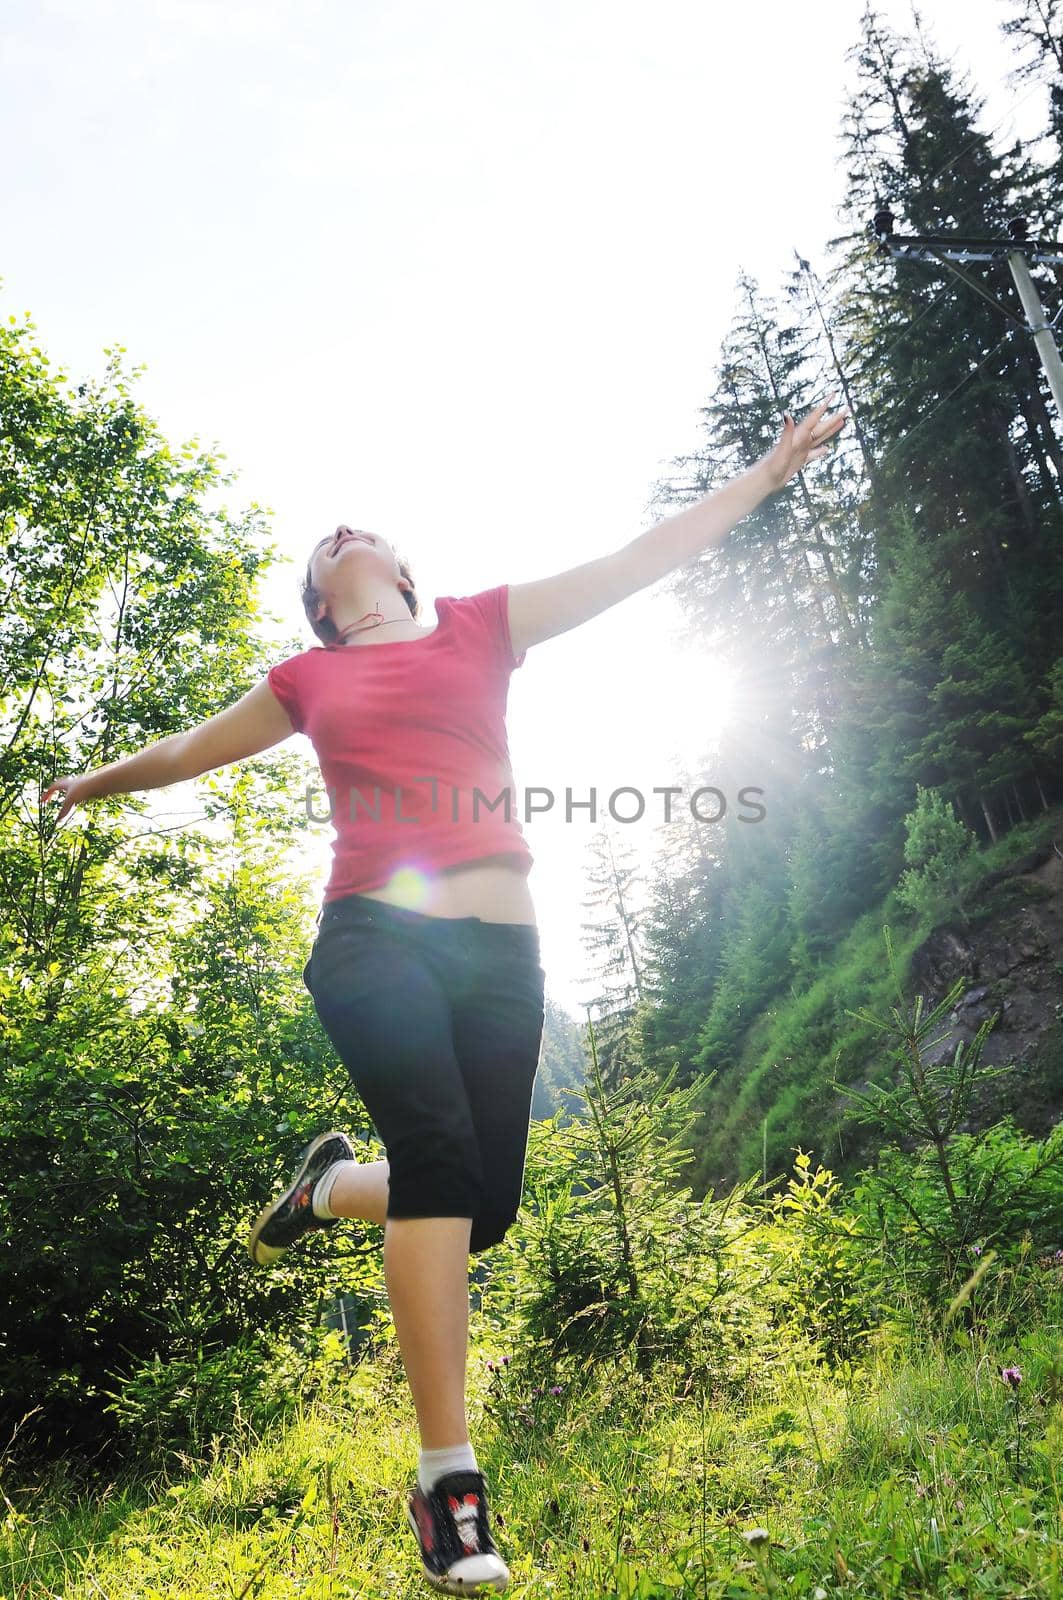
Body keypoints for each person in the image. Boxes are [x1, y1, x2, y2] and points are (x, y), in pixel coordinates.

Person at [42, 396, 848, 1594]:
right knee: (435, 1158)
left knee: (484, 1205)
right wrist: (83, 785)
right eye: (323, 545)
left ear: (408, 572)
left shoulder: (480, 627)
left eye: (362, 529)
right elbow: (189, 751)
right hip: (375, 936)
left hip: (500, 952)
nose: (343, 532)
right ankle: (448, 1485)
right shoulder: (306, 677)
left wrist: (767, 474)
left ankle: (325, 1186)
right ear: (322, 598)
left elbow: (634, 563)